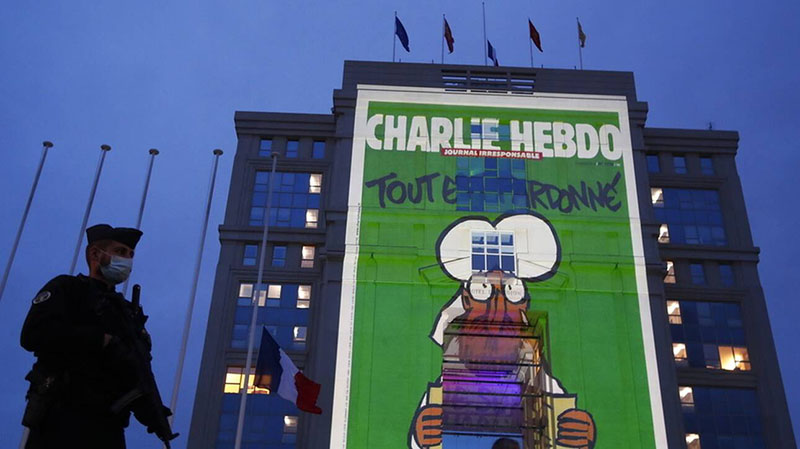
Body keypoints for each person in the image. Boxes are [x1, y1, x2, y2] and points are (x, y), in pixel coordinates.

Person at [20, 224, 173, 449]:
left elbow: (134, 371)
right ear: (95, 254)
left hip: (107, 426)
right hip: (61, 417)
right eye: (120, 252)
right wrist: (98, 339)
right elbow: (34, 334)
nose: (127, 260)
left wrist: (152, 412)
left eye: (130, 255)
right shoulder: (68, 289)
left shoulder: (127, 312)